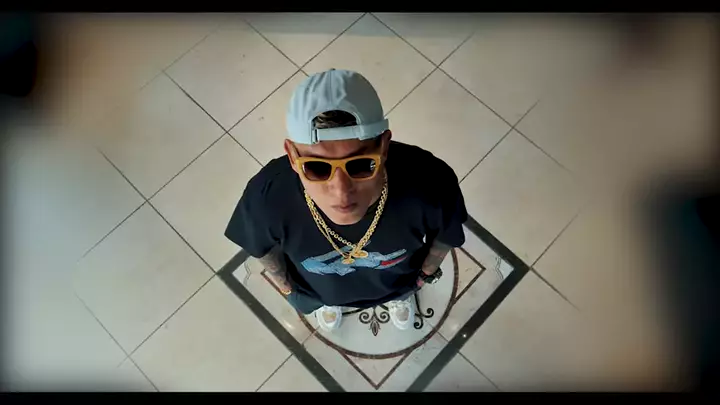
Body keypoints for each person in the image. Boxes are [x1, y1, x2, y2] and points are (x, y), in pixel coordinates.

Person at [225, 69, 467, 332]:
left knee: (397, 290)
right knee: (325, 295)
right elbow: (261, 249)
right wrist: (289, 289)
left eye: (361, 165)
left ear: (384, 147)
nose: (341, 192)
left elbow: (445, 237)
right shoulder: (266, 197)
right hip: (319, 288)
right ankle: (331, 303)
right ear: (292, 157)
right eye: (317, 167)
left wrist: (421, 279)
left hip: (397, 282)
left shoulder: (431, 181)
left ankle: (396, 298)